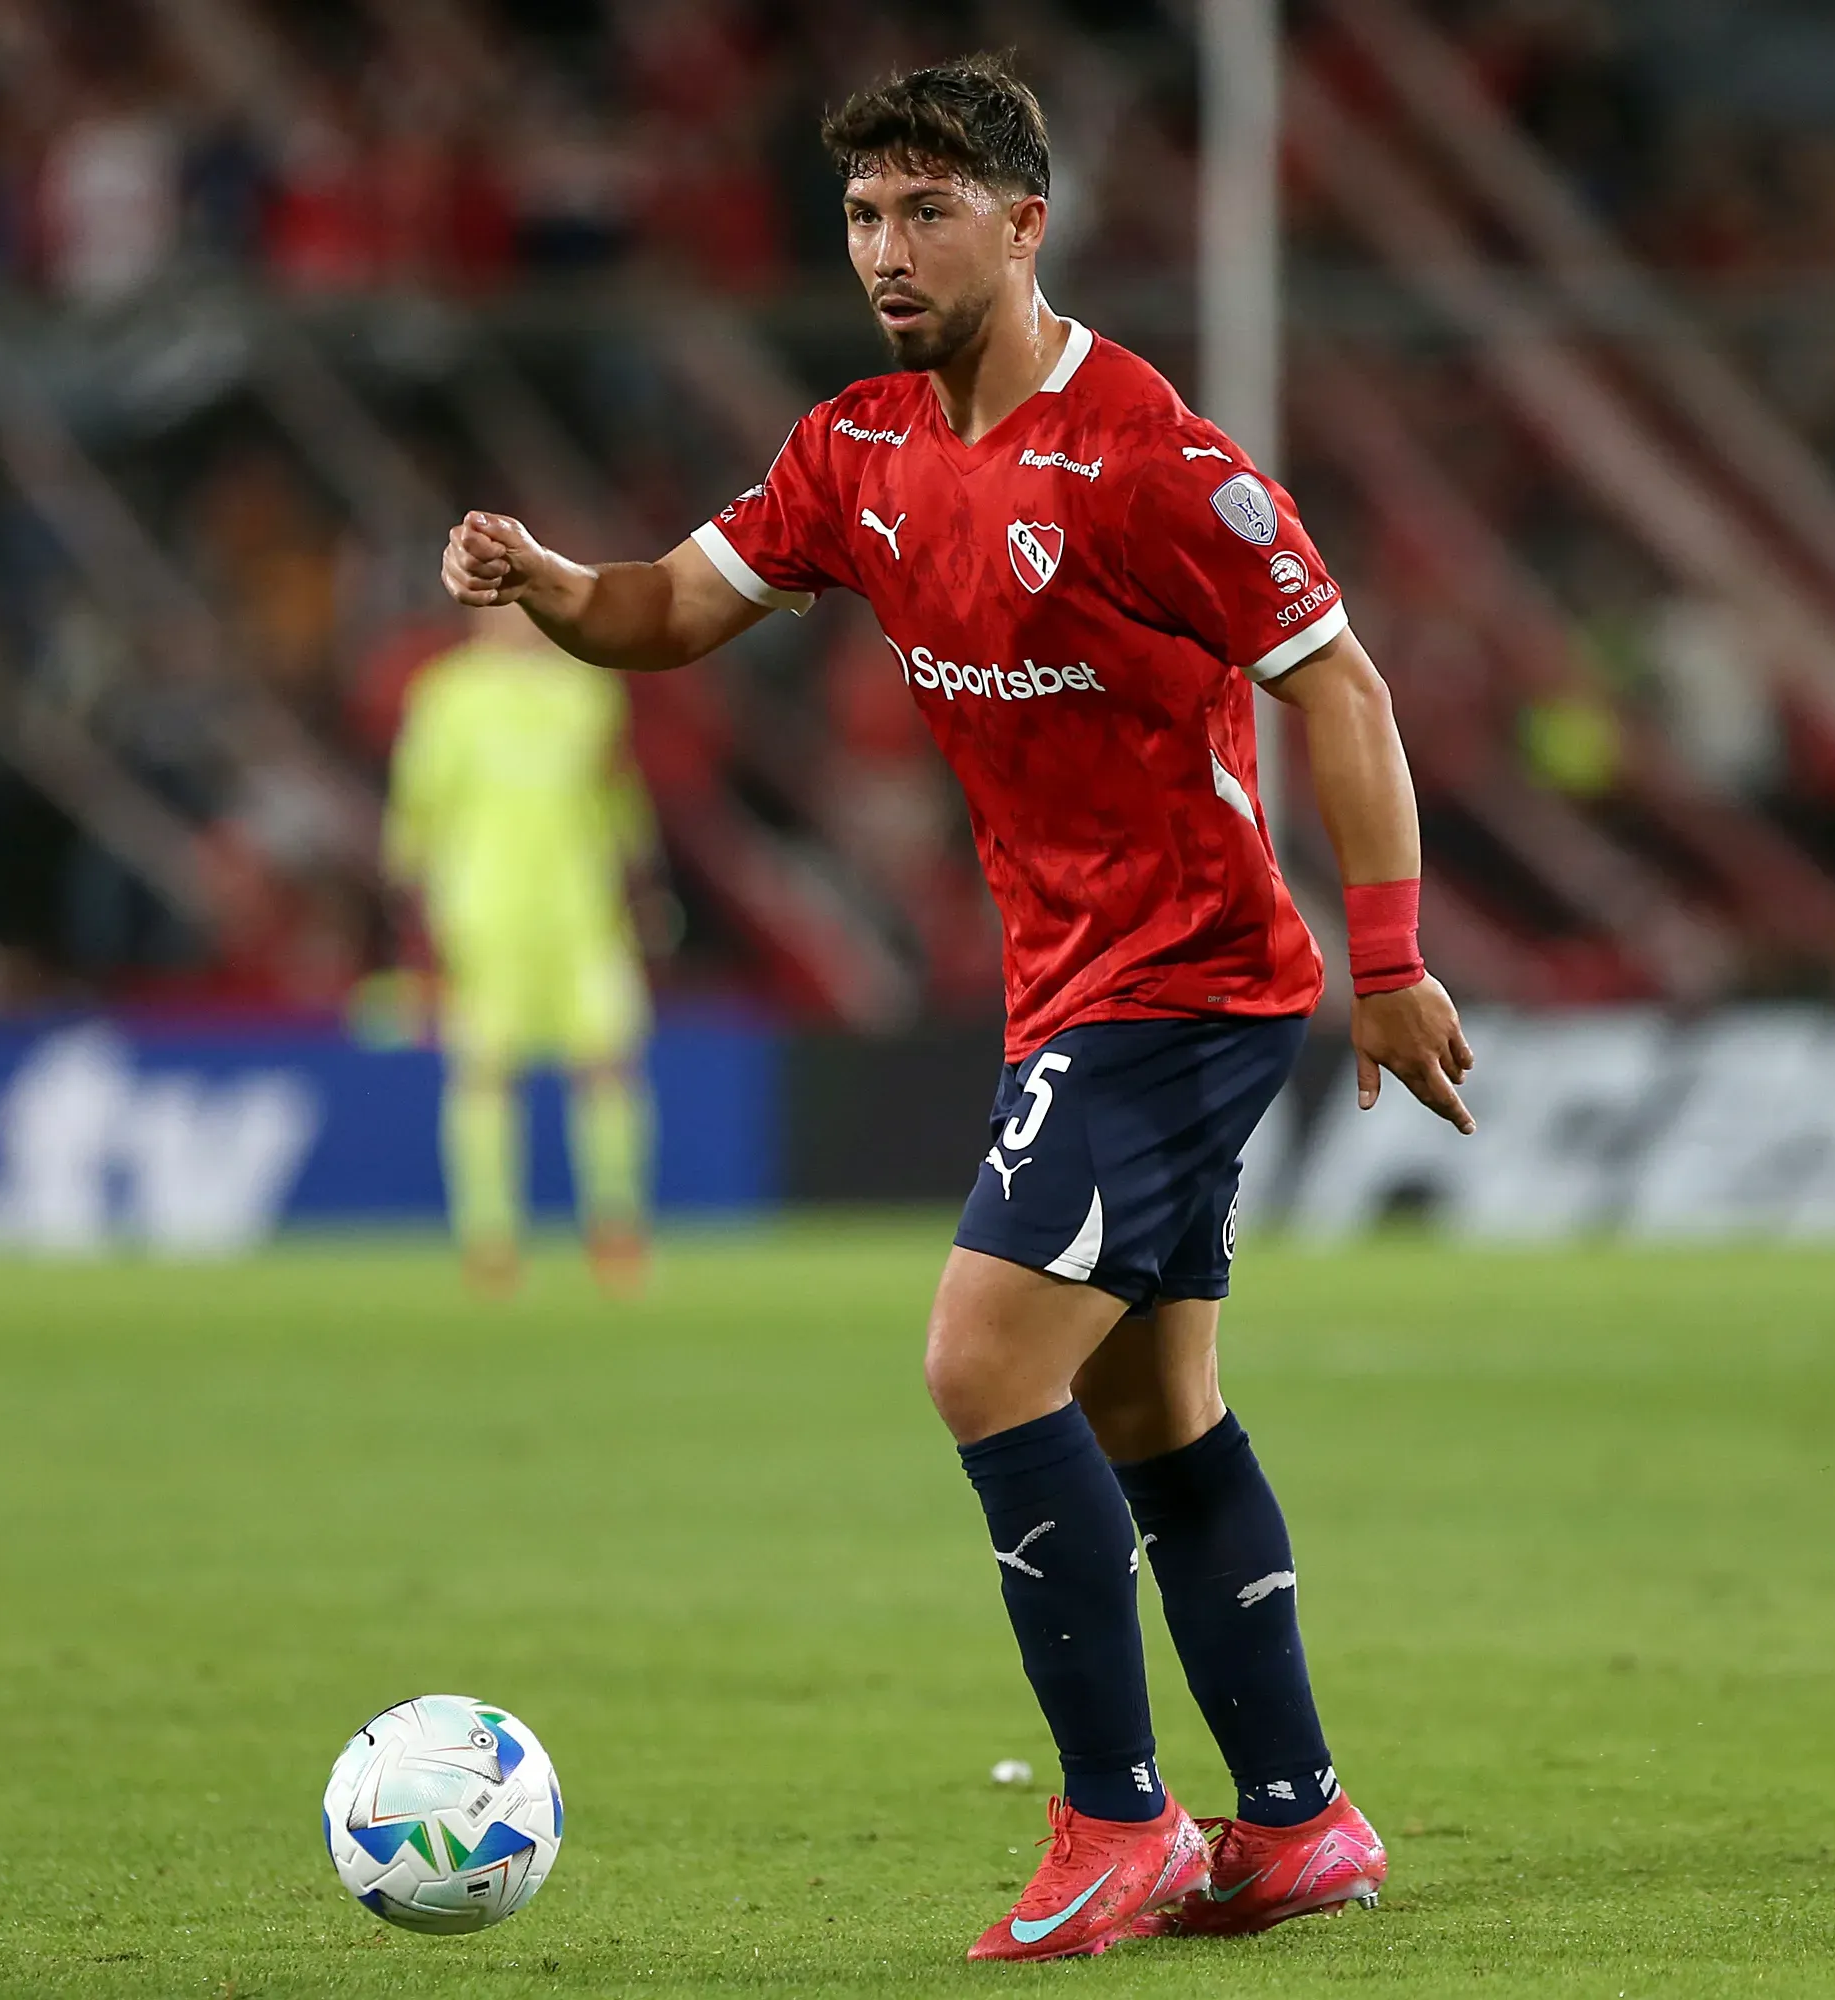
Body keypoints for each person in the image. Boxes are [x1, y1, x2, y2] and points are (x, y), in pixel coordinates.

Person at [438, 54, 1476, 1962]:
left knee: (979, 1364)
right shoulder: (859, 452)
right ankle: (1300, 1821)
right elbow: (670, 608)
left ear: (1025, 221)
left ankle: (1116, 1822)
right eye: (861, 216)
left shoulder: (1153, 458)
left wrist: (1395, 964)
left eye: (927, 211)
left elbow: (1343, 689)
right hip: (1071, 982)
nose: (887, 250)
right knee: (1154, 1408)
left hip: (1182, 985)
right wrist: (546, 583)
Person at [383, 607, 659, 1297]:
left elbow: (616, 800)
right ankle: (491, 1241)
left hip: (582, 914)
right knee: (484, 1071)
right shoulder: (446, 695)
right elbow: (418, 810)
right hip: (483, 915)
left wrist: (639, 886)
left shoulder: (589, 691)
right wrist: (413, 920)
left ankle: (615, 1231)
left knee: (608, 1065)